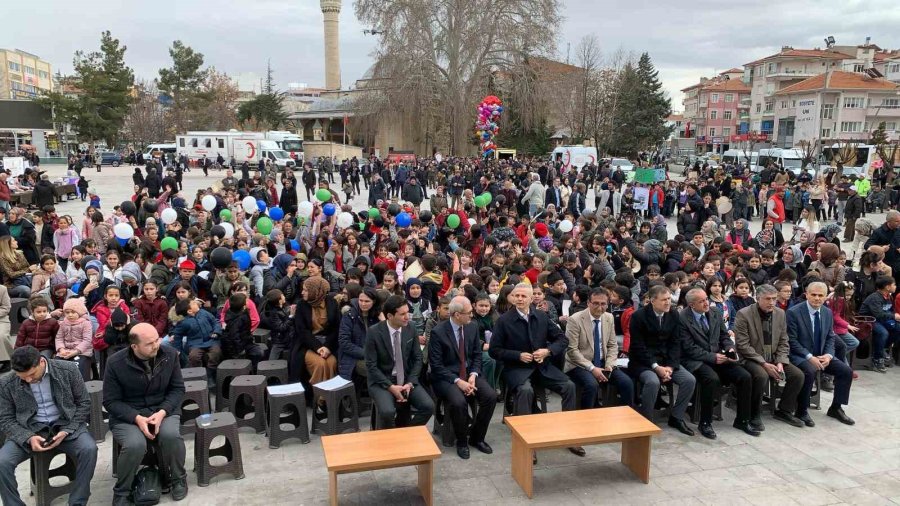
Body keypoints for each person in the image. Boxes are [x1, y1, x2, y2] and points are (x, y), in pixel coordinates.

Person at [489, 283, 583, 457]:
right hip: (516, 369)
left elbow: (562, 339)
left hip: (542, 367)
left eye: (524, 296)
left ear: (532, 299)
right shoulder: (503, 320)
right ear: (511, 297)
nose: (519, 299)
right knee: (525, 391)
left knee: (569, 386)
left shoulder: (541, 316)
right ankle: (526, 444)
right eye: (516, 296)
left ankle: (571, 436)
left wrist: (547, 351)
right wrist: (517, 355)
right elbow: (494, 351)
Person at [0, 346, 98, 506]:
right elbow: (5, 419)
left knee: (89, 449)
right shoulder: (7, 382)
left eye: (32, 374)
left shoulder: (67, 369)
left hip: (65, 424)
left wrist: (67, 431)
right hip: (28, 428)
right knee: (2, 462)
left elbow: (84, 403)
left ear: (41, 361)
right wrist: (28, 437)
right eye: (23, 377)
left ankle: (77, 502)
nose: (28, 380)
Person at [103, 322, 187, 504]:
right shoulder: (115, 362)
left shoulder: (170, 355)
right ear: (134, 346)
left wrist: (163, 412)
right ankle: (122, 491)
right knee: (135, 444)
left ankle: (178, 478)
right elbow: (110, 401)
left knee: (170, 435)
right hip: (129, 414)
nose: (156, 345)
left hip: (163, 408)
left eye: (157, 339)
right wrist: (136, 418)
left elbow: (178, 389)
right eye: (149, 343)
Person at [678, 288, 758, 439]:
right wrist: (712, 357)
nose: (706, 303)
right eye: (701, 301)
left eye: (706, 299)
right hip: (695, 360)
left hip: (717, 356)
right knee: (711, 379)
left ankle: (742, 420)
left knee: (745, 376)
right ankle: (705, 422)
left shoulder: (715, 313)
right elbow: (688, 348)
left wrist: (730, 349)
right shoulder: (683, 318)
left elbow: (724, 336)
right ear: (691, 305)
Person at [429, 296, 497, 459]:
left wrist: (473, 375)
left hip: (469, 373)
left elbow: (477, 355)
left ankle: (477, 437)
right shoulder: (438, 332)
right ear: (457, 315)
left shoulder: (471, 327)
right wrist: (459, 382)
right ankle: (461, 441)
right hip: (446, 377)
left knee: (490, 396)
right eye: (469, 312)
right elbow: (437, 366)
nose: (471, 315)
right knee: (458, 401)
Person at [627, 285, 696, 436]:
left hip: (667, 361)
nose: (668, 303)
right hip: (643, 362)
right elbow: (638, 346)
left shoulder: (673, 315)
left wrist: (670, 366)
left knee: (689, 380)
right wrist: (656, 366)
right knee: (653, 382)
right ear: (652, 300)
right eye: (664, 300)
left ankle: (676, 417)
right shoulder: (638, 316)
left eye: (669, 299)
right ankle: (646, 421)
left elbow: (675, 343)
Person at [733, 284, 806, 428]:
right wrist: (763, 364)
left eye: (774, 299)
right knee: (761, 375)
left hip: (773, 357)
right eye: (767, 299)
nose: (771, 302)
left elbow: (784, 340)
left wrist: (781, 361)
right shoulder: (744, 314)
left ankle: (784, 410)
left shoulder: (780, 313)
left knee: (798, 375)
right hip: (751, 358)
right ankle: (754, 413)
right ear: (757, 298)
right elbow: (742, 345)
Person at [785, 282, 855, 427]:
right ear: (806, 294)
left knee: (846, 371)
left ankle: (836, 408)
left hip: (822, 354)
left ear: (825, 297)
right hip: (800, 355)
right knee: (809, 371)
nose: (817, 298)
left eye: (820, 295)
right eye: (813, 295)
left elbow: (830, 336)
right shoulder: (793, 312)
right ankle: (801, 410)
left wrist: (829, 355)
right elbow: (791, 340)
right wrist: (809, 356)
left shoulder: (826, 312)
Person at [365, 295, 434, 429]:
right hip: (382, 381)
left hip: (407, 378)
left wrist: (410, 382)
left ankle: (406, 434)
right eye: (402, 314)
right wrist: (390, 387)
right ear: (390, 316)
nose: (407, 317)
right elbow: (371, 366)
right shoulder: (374, 332)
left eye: (407, 312)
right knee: (387, 412)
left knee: (428, 406)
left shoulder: (411, 328)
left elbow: (418, 358)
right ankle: (392, 441)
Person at [564, 287, 634, 409]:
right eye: (595, 303)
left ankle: (625, 419)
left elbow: (612, 345)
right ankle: (588, 419)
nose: (599, 307)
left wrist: (610, 364)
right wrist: (592, 368)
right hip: (580, 363)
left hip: (603, 361)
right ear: (588, 303)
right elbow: (572, 350)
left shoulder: (608, 317)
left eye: (603, 304)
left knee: (626, 383)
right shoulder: (575, 319)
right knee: (591, 385)